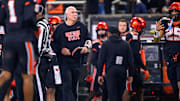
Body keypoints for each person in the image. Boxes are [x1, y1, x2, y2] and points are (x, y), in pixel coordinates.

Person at [51, 6, 92, 101]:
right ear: (67, 15)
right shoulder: (60, 28)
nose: (75, 14)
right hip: (64, 62)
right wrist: (61, 50)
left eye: (76, 13)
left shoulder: (81, 26)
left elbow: (88, 40)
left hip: (77, 61)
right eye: (72, 12)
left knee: (74, 86)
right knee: (67, 85)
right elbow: (53, 43)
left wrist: (86, 47)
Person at [0, 0, 37, 101]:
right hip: (23, 38)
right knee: (27, 76)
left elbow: (1, 19)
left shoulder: (5, 1)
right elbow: (29, 18)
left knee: (6, 74)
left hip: (8, 39)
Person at [98, 27, 134, 101]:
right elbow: (130, 61)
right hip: (122, 71)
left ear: (109, 34)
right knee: (120, 93)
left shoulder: (106, 44)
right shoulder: (126, 44)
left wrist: (99, 74)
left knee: (112, 94)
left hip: (110, 71)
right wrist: (130, 74)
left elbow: (101, 60)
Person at [34, 4, 62, 101]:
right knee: (51, 88)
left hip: (46, 58)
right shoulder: (44, 24)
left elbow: (40, 45)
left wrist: (36, 56)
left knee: (47, 88)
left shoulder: (41, 25)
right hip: (52, 59)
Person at [154, 2, 180, 101]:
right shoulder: (165, 22)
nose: (174, 13)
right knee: (174, 85)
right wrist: (157, 31)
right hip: (169, 55)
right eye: (172, 11)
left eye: (176, 10)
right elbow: (156, 40)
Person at [126, 17, 149, 101]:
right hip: (131, 67)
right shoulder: (133, 36)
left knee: (137, 89)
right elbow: (135, 54)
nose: (142, 30)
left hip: (132, 65)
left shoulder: (130, 35)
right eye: (141, 27)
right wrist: (144, 67)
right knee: (131, 90)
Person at [85, 21, 109, 101]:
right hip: (98, 69)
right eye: (99, 30)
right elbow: (92, 59)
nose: (101, 31)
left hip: (109, 69)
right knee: (94, 90)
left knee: (109, 91)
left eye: (103, 29)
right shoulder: (95, 43)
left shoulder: (110, 42)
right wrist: (99, 70)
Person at [48, 15, 63, 101]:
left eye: (57, 25)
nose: (55, 27)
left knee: (60, 88)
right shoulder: (47, 36)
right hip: (50, 62)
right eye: (54, 25)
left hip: (61, 62)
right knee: (51, 88)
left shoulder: (62, 36)